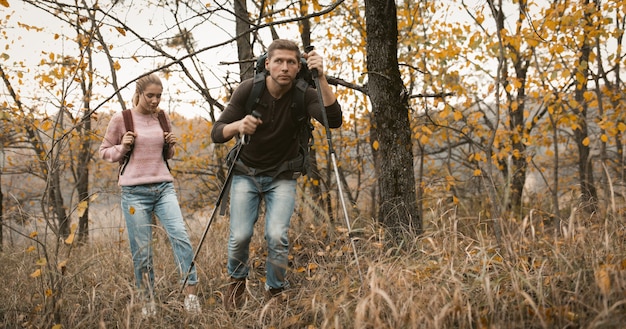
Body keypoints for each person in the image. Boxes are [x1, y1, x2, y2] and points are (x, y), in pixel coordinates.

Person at [210, 39, 343, 311]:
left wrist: (321, 77)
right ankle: (236, 285)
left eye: (291, 62)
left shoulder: (303, 94)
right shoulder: (249, 89)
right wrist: (238, 125)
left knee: (277, 235)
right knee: (240, 236)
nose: (284, 67)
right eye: (279, 61)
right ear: (267, 63)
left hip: (282, 176)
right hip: (246, 172)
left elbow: (334, 120)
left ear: (298, 67)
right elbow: (217, 132)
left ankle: (275, 292)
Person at [99, 73, 201, 316]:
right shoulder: (122, 118)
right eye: (150, 96)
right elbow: (104, 152)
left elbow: (166, 156)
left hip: (164, 188)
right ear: (139, 93)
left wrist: (171, 146)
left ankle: (191, 297)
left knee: (180, 237)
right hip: (134, 193)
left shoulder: (162, 117)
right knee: (143, 250)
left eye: (159, 96)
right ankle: (148, 302)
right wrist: (123, 146)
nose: (155, 101)